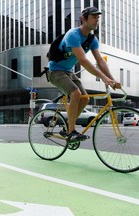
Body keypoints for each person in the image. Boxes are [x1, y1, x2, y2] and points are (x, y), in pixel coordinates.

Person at [47, 6, 120, 142]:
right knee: (76, 94)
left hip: (68, 72)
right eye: (94, 17)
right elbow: (83, 60)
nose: (96, 20)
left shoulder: (92, 40)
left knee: (85, 98)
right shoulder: (73, 34)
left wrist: (111, 79)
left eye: (98, 18)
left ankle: (68, 126)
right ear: (83, 19)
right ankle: (71, 131)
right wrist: (103, 78)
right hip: (55, 71)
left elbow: (100, 61)